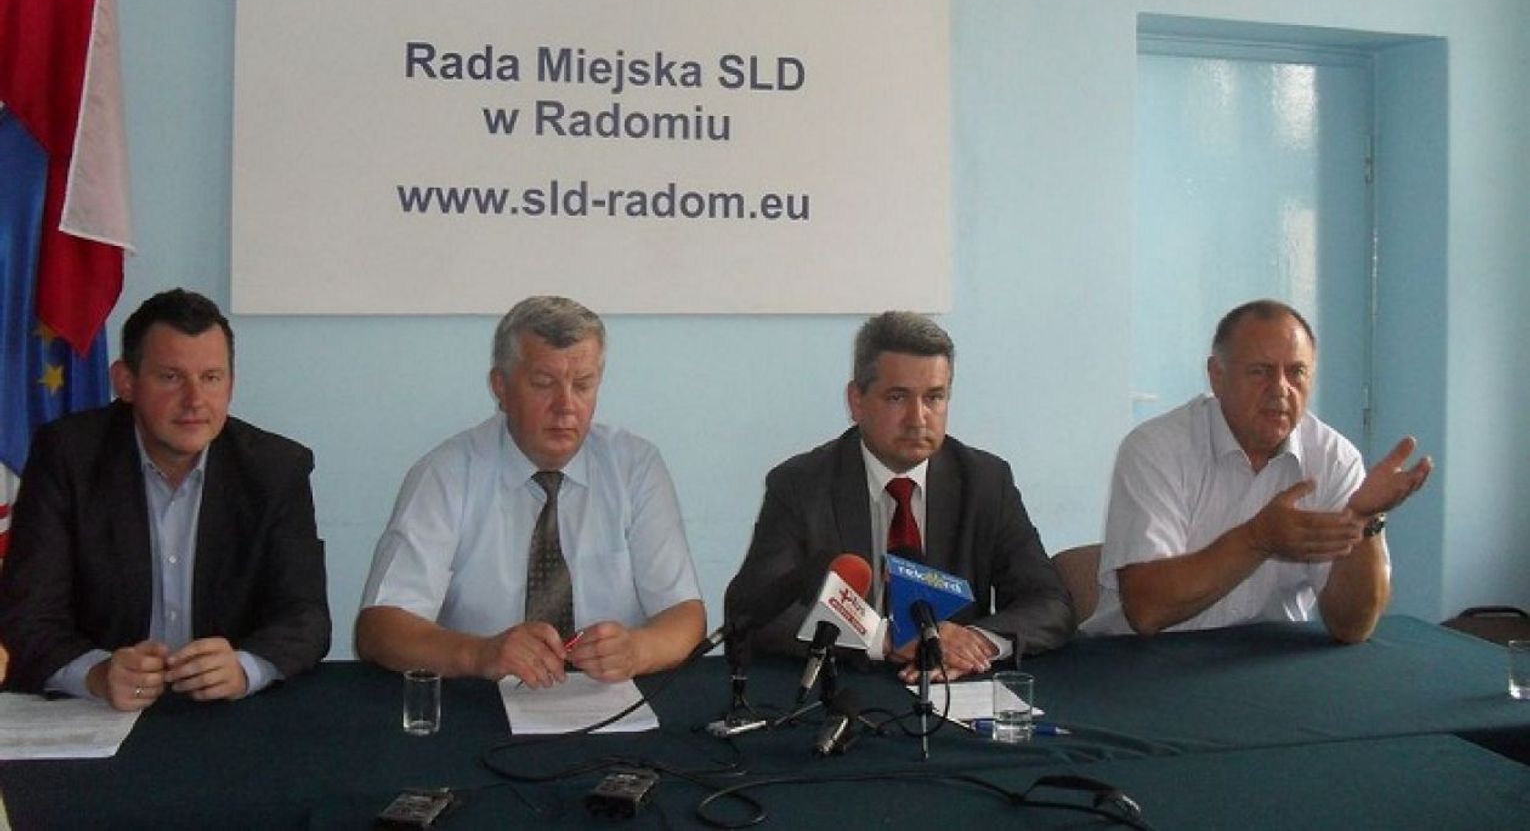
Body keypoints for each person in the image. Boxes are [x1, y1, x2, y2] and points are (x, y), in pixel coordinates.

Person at [0, 289, 331, 709]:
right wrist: (96, 673)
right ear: (126, 382)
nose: (195, 400)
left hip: (227, 714)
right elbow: (28, 615)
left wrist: (245, 667)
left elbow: (305, 615)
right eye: (171, 377)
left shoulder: (275, 469)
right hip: (103, 711)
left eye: (211, 378)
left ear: (231, 385)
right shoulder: (68, 457)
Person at [355, 296, 705, 687]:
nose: (566, 406)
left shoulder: (635, 467)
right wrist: (481, 653)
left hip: (608, 696)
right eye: (543, 384)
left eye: (583, 385)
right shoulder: (447, 474)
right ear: (500, 387)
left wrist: (638, 650)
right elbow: (380, 628)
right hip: (480, 695)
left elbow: (685, 615)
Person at [725, 311, 1075, 683]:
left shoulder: (985, 481)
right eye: (897, 397)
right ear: (856, 400)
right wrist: (885, 638)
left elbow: (1050, 603)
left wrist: (976, 642)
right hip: (842, 687)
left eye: (934, 397)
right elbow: (754, 611)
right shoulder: (801, 485)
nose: (918, 418)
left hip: (949, 689)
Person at [1086, 299, 1432, 642]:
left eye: (1296, 372)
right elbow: (1146, 610)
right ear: (1217, 376)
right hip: (1143, 657)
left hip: (1268, 659)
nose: (1280, 388)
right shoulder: (1156, 448)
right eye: (1260, 371)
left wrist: (1365, 520)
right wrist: (1257, 539)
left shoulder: (1334, 459)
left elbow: (1352, 627)